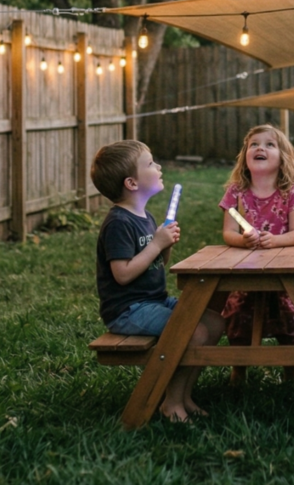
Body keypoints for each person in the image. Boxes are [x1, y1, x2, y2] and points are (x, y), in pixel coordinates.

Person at [91, 140, 224, 422]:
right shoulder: (119, 223)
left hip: (154, 301)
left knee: (214, 322)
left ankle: (185, 393)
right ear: (131, 182)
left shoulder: (146, 217)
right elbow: (123, 274)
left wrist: (165, 245)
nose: (159, 166)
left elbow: (157, 263)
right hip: (129, 310)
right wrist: (155, 244)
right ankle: (170, 402)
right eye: (151, 163)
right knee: (195, 332)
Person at [220, 124, 294, 384]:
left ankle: (292, 370)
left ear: (283, 157)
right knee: (237, 315)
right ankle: (239, 370)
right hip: (246, 271)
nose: (260, 148)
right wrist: (243, 240)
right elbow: (228, 232)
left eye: (270, 144)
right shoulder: (235, 193)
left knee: (288, 317)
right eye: (254, 144)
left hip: (283, 273)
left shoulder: (291, 192)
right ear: (245, 156)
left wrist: (276, 240)